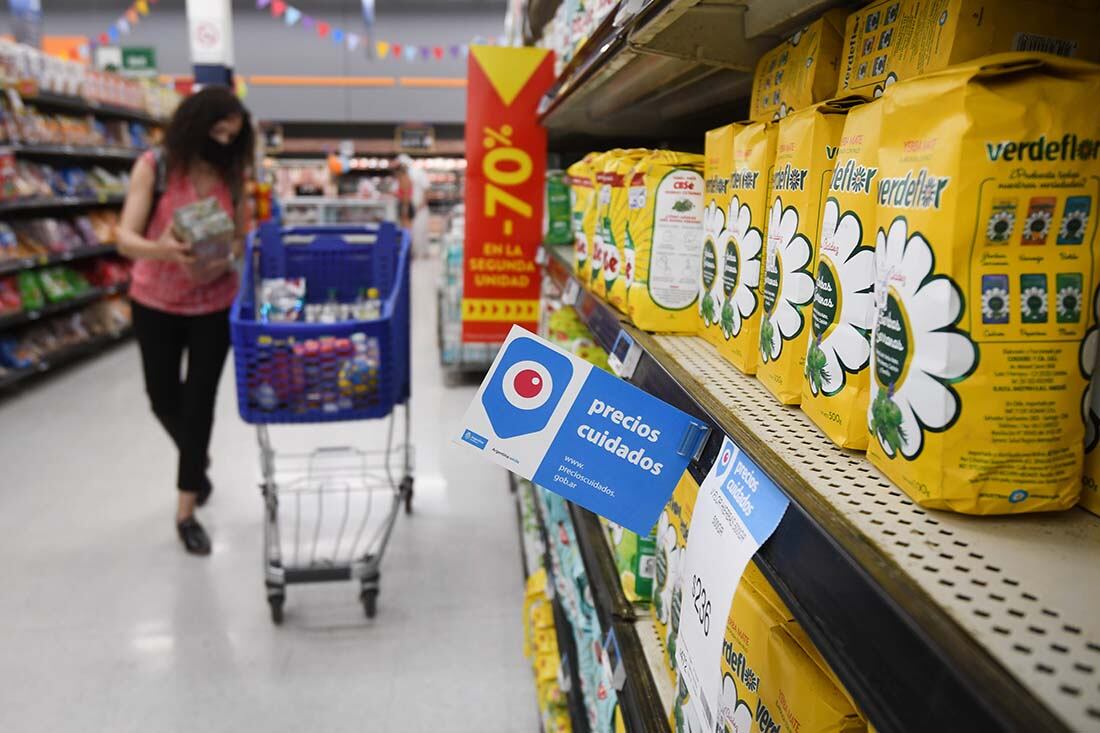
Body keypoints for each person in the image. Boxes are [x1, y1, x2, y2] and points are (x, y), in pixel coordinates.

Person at [116, 86, 255, 556]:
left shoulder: (231, 174)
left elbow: (242, 235)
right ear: (195, 123)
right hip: (154, 299)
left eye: (231, 135)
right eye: (217, 130)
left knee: (199, 404)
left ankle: (186, 510)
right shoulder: (153, 168)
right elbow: (124, 238)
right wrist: (165, 250)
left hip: (214, 303)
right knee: (162, 398)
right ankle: (196, 458)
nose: (223, 141)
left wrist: (225, 252)